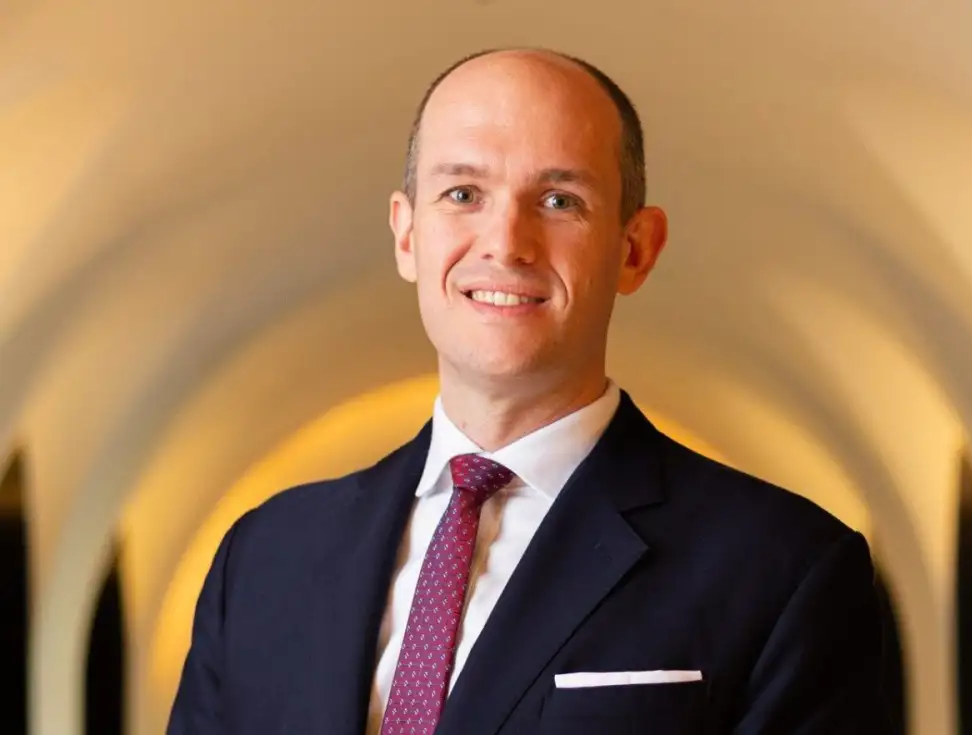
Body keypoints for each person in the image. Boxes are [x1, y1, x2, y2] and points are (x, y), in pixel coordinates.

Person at [168, 48, 889, 734]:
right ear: (407, 234)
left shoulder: (783, 568)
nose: (507, 242)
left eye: (558, 199)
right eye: (462, 194)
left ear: (635, 248)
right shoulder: (262, 558)